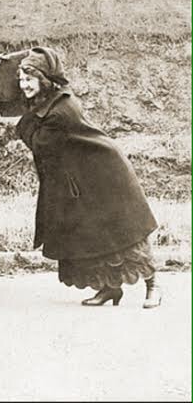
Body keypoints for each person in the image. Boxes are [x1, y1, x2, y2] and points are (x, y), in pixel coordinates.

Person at [15, 47, 161, 308]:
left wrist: (25, 122)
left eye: (29, 79)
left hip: (106, 176)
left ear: (44, 80)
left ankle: (154, 287)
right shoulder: (50, 101)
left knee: (125, 236)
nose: (23, 85)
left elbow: (39, 144)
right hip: (85, 179)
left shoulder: (60, 111)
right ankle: (110, 289)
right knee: (94, 235)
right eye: (21, 79)